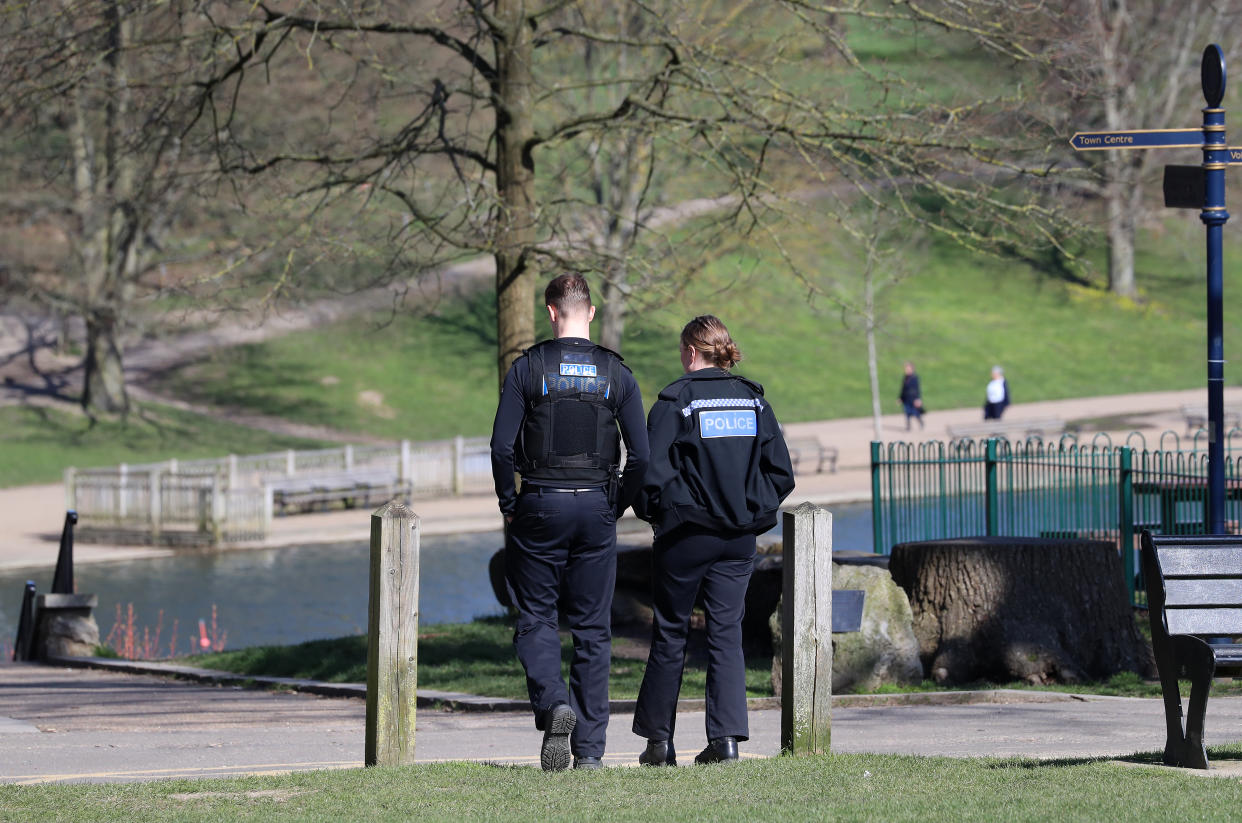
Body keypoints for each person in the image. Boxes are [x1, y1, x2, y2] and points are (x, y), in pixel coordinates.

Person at [489, 274, 649, 772]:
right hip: (595, 508)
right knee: (593, 629)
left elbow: (499, 448)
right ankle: (590, 753)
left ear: (551, 312)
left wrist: (507, 504)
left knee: (536, 617)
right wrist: (616, 504)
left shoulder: (528, 369)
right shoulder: (616, 374)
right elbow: (641, 456)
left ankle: (554, 701)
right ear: (592, 313)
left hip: (538, 503)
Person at [631, 315, 795, 767]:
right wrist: (750, 512)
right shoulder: (753, 402)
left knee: (670, 634)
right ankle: (726, 742)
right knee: (726, 635)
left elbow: (649, 475)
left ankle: (659, 744)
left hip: (686, 537)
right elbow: (781, 473)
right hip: (738, 541)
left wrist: (659, 514)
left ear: (690, 351)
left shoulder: (675, 402)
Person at [899, 361, 924, 431]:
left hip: (913, 398)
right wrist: (900, 398)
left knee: (915, 412)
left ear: (912, 369)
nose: (906, 370)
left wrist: (918, 399)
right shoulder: (905, 378)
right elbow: (903, 389)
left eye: (907, 368)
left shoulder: (915, 378)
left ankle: (921, 422)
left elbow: (917, 389)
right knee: (907, 413)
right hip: (906, 399)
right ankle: (908, 426)